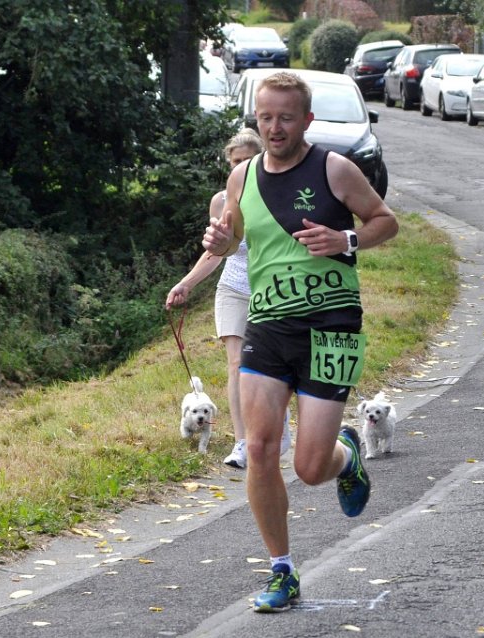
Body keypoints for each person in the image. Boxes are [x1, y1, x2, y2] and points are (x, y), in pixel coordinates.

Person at [202, 71, 398, 613]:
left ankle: (346, 456)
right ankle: (282, 571)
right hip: (268, 325)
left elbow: (385, 221)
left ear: (306, 120)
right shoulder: (242, 176)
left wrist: (345, 238)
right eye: (265, 117)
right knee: (261, 449)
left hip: (332, 326)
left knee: (311, 468)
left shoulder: (334, 168)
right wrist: (221, 239)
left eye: (286, 118)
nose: (275, 128)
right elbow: (234, 238)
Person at [165, 129, 290, 468]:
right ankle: (241, 443)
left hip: (273, 291)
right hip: (233, 288)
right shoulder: (221, 202)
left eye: (249, 159)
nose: (242, 166)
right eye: (236, 161)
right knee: (237, 365)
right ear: (229, 164)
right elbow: (216, 252)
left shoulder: (280, 196)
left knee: (270, 366)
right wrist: (185, 284)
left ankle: (279, 422)